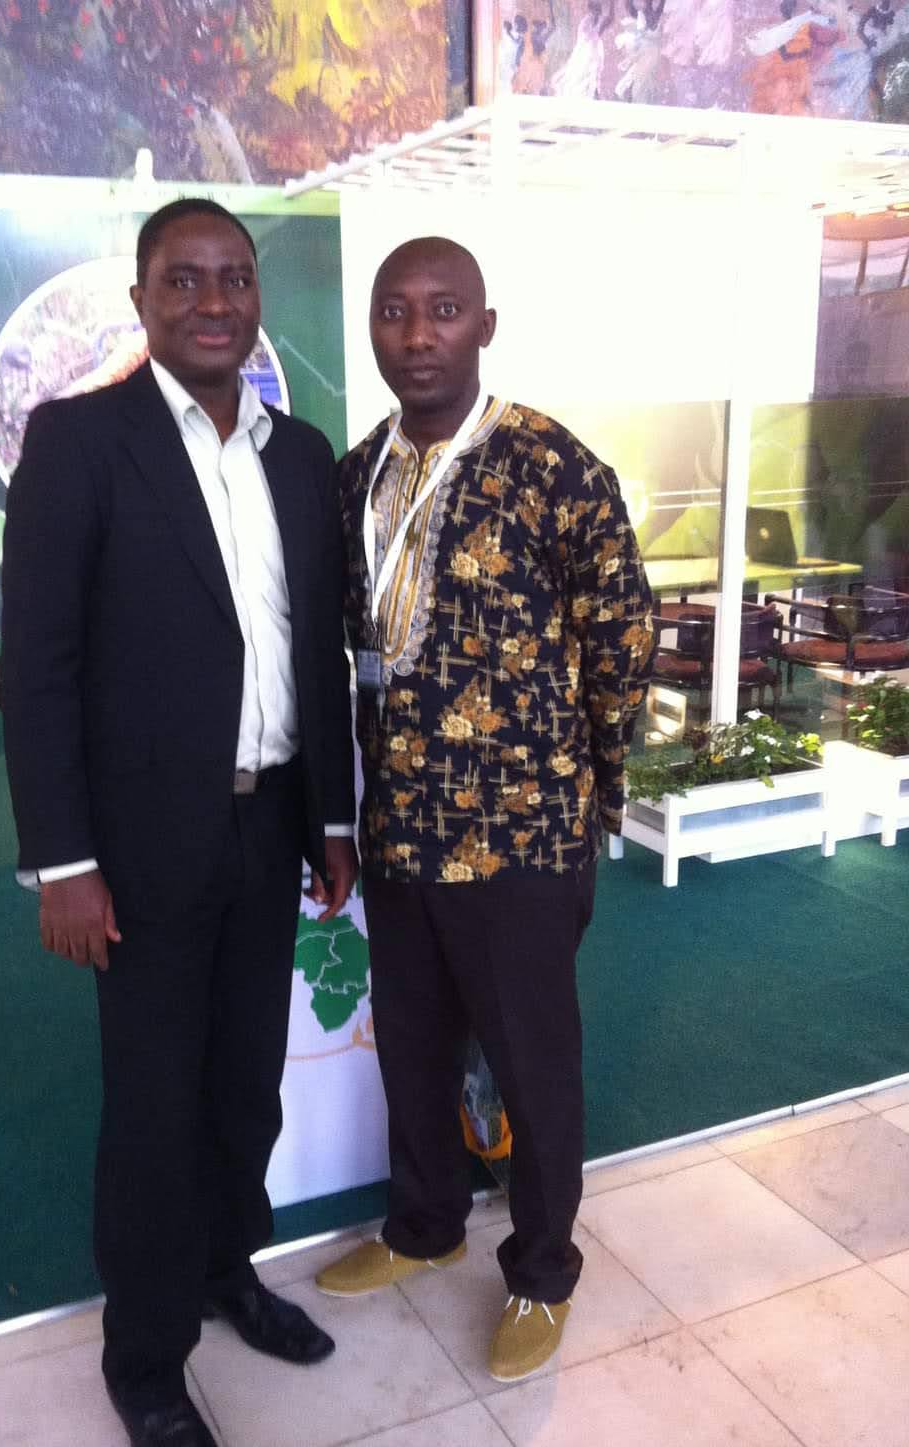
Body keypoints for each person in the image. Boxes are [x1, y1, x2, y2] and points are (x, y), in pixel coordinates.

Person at [0, 198, 357, 1447]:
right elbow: (38, 669)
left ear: (258, 298)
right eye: (185, 279)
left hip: (271, 828)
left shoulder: (299, 453)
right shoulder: (79, 442)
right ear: (143, 301)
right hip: (139, 849)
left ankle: (224, 1270)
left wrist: (332, 819)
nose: (214, 302)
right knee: (154, 1108)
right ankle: (146, 1361)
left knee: (243, 1088)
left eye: (235, 279)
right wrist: (64, 862)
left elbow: (315, 650)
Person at [315, 237, 653, 1383]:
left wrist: (592, 782)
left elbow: (622, 635)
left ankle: (543, 1269)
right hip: (402, 828)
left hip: (522, 838)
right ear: (373, 326)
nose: (418, 335)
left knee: (533, 1065)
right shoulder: (356, 475)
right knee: (412, 1048)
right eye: (396, 311)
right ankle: (425, 1225)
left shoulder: (553, 466)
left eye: (445, 309)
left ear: (486, 326)